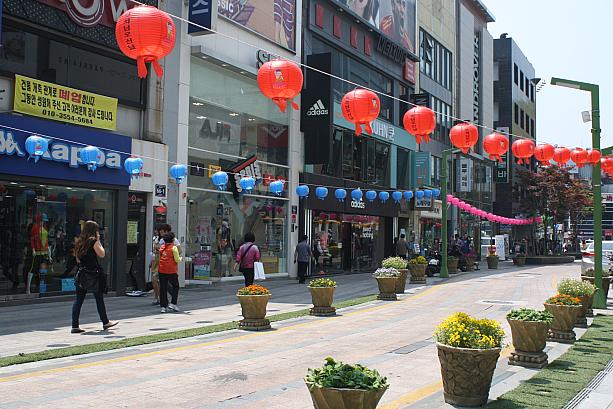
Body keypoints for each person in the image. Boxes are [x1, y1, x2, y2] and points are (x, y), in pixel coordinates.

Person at [71, 221, 117, 333]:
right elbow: (102, 254)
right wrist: (99, 241)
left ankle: (75, 325)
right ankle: (105, 322)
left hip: (82, 273)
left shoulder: (79, 242)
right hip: (94, 274)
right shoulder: (93, 241)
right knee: (99, 298)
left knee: (79, 300)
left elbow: (77, 259)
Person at [158, 231, 182, 313]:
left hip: (161, 270)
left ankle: (163, 307)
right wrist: (181, 258)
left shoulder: (162, 247)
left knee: (163, 288)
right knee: (176, 286)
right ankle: (173, 303)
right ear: (172, 240)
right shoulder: (173, 248)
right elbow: (177, 259)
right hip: (171, 270)